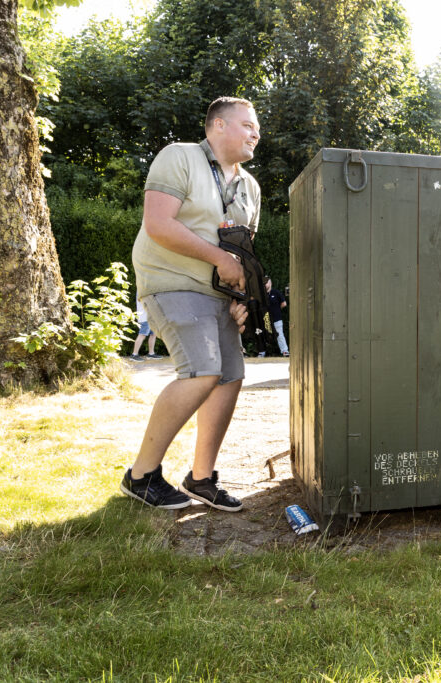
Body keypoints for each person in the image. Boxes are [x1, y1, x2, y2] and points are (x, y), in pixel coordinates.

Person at [120, 96, 262, 512]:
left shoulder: (250, 187)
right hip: (172, 281)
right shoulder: (179, 157)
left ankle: (201, 479)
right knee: (203, 371)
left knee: (230, 375)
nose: (256, 133)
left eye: (257, 129)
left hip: (218, 292)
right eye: (248, 125)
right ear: (217, 125)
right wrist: (219, 259)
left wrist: (242, 301)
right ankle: (141, 476)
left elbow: (243, 254)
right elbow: (158, 224)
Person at [129, 297, 163, 361]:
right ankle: (134, 355)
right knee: (142, 335)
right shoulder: (141, 290)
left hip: (151, 317)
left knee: (153, 334)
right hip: (145, 317)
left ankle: (151, 353)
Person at [265, 277, 288, 357]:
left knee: (280, 335)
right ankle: (262, 352)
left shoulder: (276, 292)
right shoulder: (261, 294)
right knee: (263, 335)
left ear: (270, 283)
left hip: (277, 319)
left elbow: (284, 303)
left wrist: (277, 309)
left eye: (267, 282)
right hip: (265, 320)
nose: (265, 284)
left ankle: (285, 351)